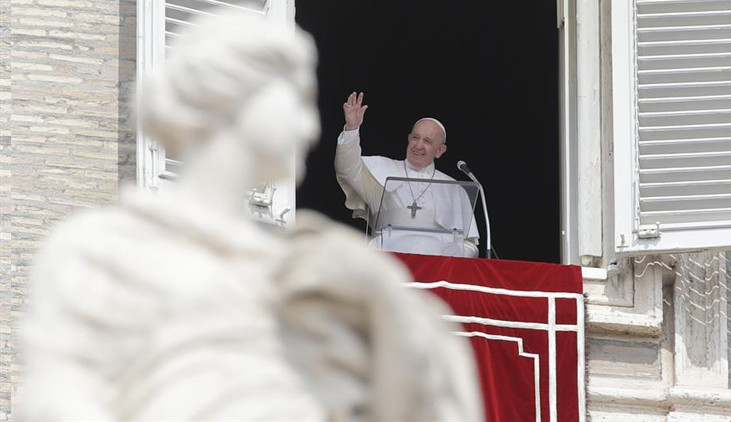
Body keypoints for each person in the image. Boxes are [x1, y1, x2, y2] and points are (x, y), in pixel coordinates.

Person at [16, 9, 483, 422]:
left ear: (439, 149)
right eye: (291, 98)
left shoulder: (317, 266)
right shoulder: (98, 254)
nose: (307, 125)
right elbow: (56, 400)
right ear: (224, 103)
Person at [335, 92, 480, 258]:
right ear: (409, 139)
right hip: (389, 265)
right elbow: (347, 169)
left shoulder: (454, 190)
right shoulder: (383, 171)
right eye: (415, 138)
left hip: (435, 270)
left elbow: (470, 245)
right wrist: (352, 129)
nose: (418, 145)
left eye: (427, 141)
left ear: (440, 150)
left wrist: (458, 251)